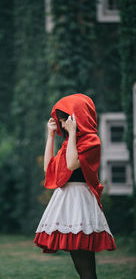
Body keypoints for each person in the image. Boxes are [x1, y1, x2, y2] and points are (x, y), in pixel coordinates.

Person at [34, 93, 116, 279]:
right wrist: (50, 136)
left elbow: (72, 164)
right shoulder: (67, 144)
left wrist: (71, 134)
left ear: (77, 117)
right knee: (81, 266)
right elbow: (49, 169)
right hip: (67, 202)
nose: (63, 125)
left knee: (86, 267)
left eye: (66, 120)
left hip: (80, 203)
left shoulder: (92, 141)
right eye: (62, 121)